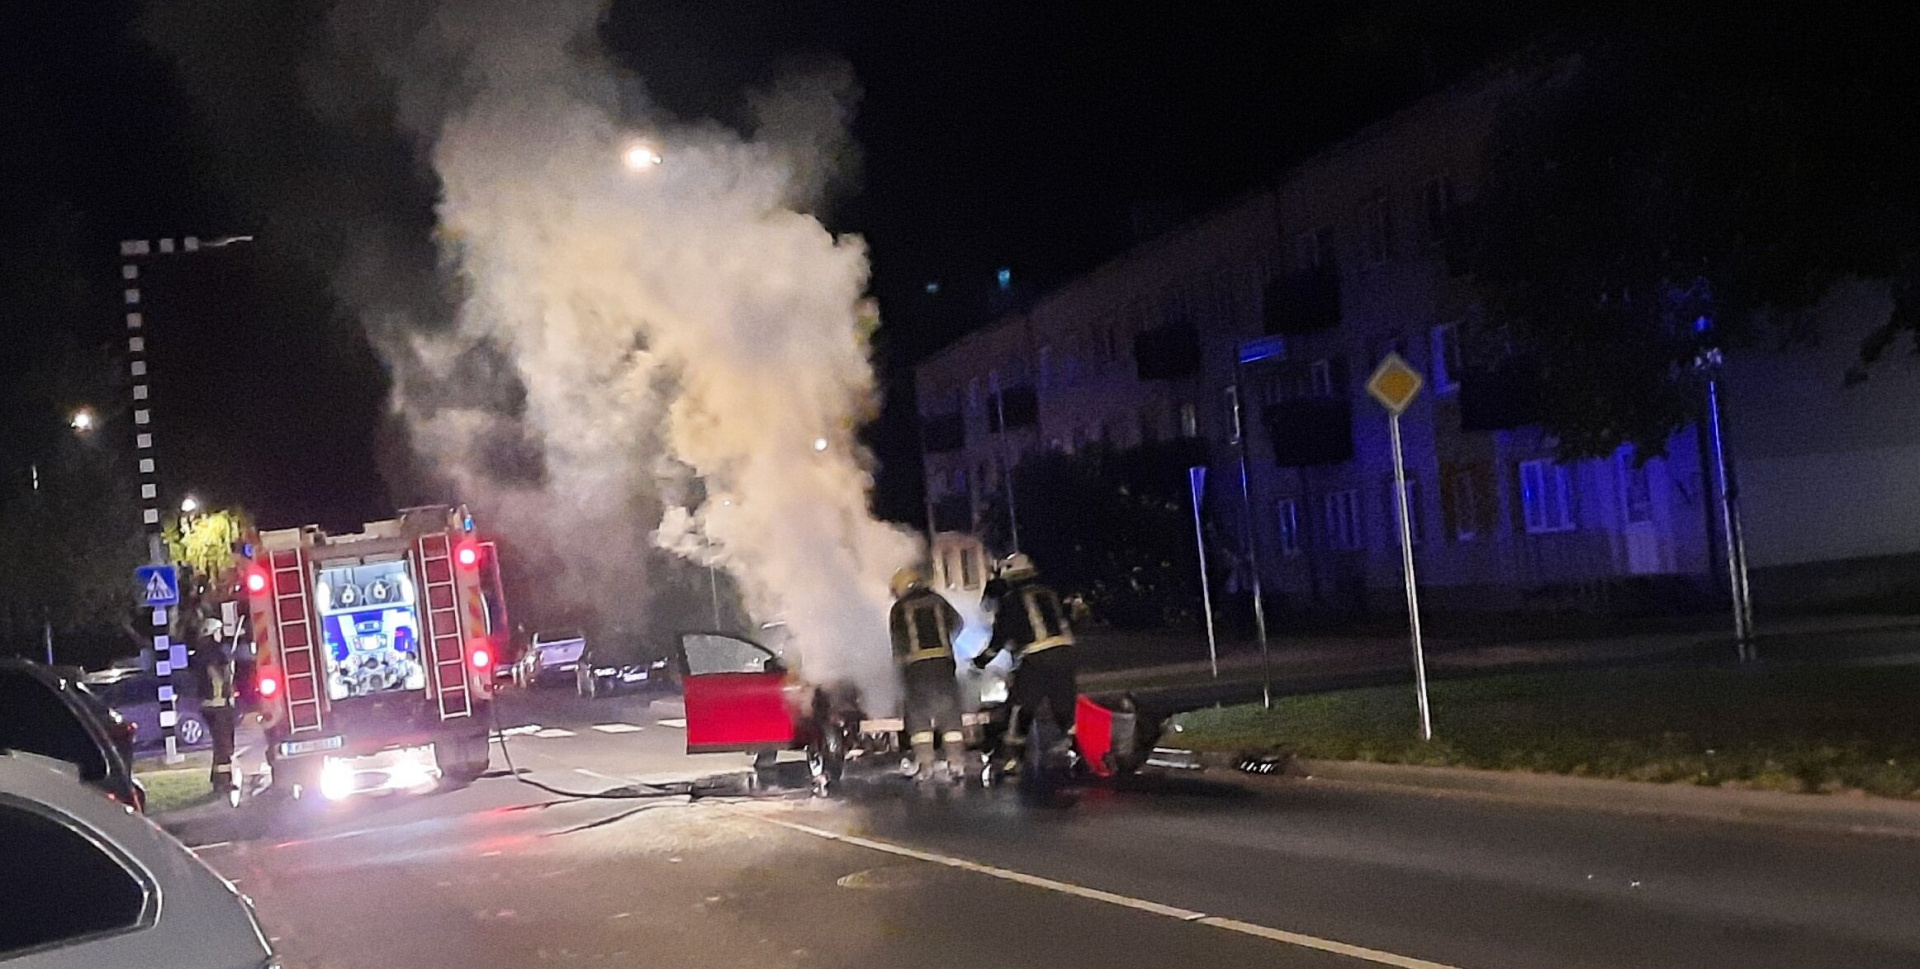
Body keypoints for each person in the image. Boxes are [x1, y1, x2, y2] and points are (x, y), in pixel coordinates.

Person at [971, 553, 1077, 771]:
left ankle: (1013, 759)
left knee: (1020, 708)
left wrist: (980, 662)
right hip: (1065, 654)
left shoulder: (1011, 600)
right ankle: (1081, 752)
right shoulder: (1048, 592)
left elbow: (1000, 638)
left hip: (1037, 657)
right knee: (1065, 709)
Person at [888, 566, 967, 782]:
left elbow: (898, 643)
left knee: (918, 714)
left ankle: (925, 764)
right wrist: (944, 642)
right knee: (950, 712)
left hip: (916, 668)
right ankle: (956, 762)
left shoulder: (899, 608)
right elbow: (957, 623)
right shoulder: (938, 600)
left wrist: (900, 673)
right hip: (943, 664)